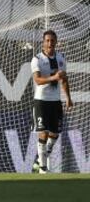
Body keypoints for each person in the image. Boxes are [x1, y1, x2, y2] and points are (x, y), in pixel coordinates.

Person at [31, 30, 73, 174]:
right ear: (43, 42)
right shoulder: (37, 59)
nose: (50, 43)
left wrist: (68, 98)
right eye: (47, 40)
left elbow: (64, 79)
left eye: (52, 40)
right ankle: (43, 168)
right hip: (41, 101)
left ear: (56, 42)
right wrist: (53, 78)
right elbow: (37, 80)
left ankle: (41, 158)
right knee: (43, 132)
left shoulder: (61, 58)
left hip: (56, 101)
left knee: (55, 134)